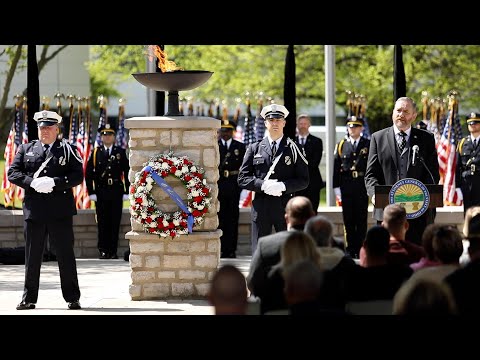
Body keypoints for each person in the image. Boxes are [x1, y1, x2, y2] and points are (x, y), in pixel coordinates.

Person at [7, 110, 83, 310]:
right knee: (32, 257)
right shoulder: (26, 148)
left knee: (65, 256)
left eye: (49, 127)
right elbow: (12, 173)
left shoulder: (67, 149)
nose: (45, 131)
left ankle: (72, 297)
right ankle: (28, 298)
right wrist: (32, 182)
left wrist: (55, 182)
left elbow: (77, 176)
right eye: (42, 127)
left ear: (57, 129)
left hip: (60, 212)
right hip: (35, 211)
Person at [364, 96, 440, 245]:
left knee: (416, 256)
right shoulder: (378, 138)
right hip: (387, 212)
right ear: (393, 113)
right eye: (398, 110)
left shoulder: (426, 139)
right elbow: (371, 175)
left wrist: (420, 196)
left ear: (413, 116)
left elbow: (432, 174)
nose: (401, 115)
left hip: (418, 212)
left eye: (406, 111)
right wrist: (374, 195)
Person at [238, 103, 309, 253]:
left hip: (284, 206)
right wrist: (262, 185)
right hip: (261, 206)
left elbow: (304, 180)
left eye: (278, 120)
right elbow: (242, 178)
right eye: (271, 120)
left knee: (288, 250)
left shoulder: (294, 148)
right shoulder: (254, 148)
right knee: (259, 251)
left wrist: (283, 186)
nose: (275, 123)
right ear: (265, 123)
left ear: (284, 123)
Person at [247, 196, 315, 307]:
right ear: (312, 216)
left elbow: (253, 281)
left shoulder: (265, 246)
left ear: (286, 218)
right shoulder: (325, 245)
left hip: (275, 305)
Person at [85, 123, 130, 259]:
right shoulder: (95, 153)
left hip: (116, 192)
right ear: (101, 137)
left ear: (114, 137)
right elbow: (88, 174)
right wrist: (91, 192)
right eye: (105, 135)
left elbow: (127, 171)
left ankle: (113, 250)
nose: (107, 137)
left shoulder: (120, 152)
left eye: (110, 134)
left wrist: (127, 191)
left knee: (114, 222)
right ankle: (103, 250)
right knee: (103, 222)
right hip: (101, 192)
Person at [333, 116, 370, 258]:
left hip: (361, 186)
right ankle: (350, 249)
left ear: (361, 128)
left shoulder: (368, 143)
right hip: (346, 186)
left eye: (356, 126)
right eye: (350, 126)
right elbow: (336, 166)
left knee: (361, 219)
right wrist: (336, 187)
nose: (352, 129)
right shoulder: (342, 144)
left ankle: (361, 248)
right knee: (348, 220)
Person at [217, 119, 246, 258]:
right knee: (220, 218)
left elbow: (244, 168)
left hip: (234, 184)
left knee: (233, 218)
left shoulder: (240, 147)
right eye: (223, 130)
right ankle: (221, 248)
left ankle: (231, 249)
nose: (225, 133)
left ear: (232, 132)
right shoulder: (215, 146)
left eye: (228, 130)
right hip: (220, 184)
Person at [295, 113, 324, 212]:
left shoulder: (317, 141)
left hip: (312, 182)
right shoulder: (291, 141)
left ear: (309, 125)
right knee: (297, 212)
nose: (302, 126)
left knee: (312, 211)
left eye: (305, 123)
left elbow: (315, 162)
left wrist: (297, 163)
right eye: (300, 124)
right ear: (297, 125)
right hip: (296, 182)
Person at [456, 112, 480, 214]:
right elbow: (458, 166)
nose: (472, 125)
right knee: (468, 211)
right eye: (470, 123)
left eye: (475, 123)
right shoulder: (462, 142)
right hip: (466, 183)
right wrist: (457, 187)